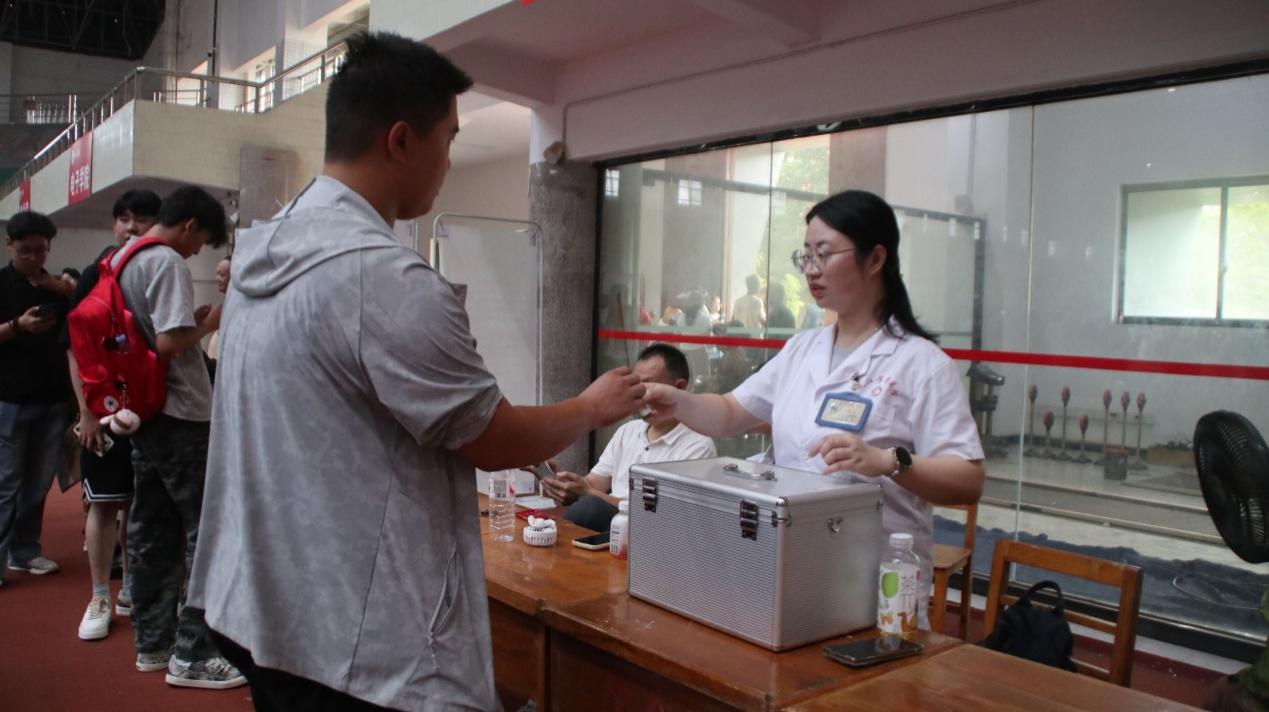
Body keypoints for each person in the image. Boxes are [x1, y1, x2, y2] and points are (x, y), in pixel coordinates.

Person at [188, 32, 645, 712]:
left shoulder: (266, 251)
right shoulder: (381, 277)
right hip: (355, 642)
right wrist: (592, 406)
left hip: (262, 605)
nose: (448, 161)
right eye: (448, 139)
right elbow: (490, 436)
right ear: (401, 140)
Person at [644, 190, 985, 628]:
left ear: (875, 259)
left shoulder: (921, 364)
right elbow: (729, 411)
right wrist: (676, 400)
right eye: (805, 256)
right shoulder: (801, 350)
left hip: (872, 586)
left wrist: (886, 461)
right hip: (785, 569)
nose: (811, 269)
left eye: (824, 254)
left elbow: (968, 480)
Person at [112, 186, 240, 688]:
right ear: (188, 225)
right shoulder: (165, 262)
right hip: (181, 411)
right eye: (200, 241)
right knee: (207, 532)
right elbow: (169, 341)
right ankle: (195, 653)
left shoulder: (125, 257)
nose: (196, 252)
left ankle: (153, 643)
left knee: (151, 526)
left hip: (144, 410)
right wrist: (209, 322)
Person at [67, 188, 161, 641]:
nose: (131, 227)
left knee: (142, 506)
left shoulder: (160, 271)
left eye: (141, 219)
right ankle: (100, 594)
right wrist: (86, 414)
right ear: (113, 224)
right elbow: (75, 350)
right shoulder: (94, 275)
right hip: (104, 413)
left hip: (153, 414)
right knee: (105, 503)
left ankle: (134, 588)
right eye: (124, 219)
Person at [543, 343, 716, 532]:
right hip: (610, 528)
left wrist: (589, 493)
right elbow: (592, 484)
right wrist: (562, 481)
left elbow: (661, 515)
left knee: (591, 508)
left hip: (651, 534)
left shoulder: (698, 446)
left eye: (649, 387)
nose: (641, 398)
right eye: (636, 388)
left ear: (679, 388)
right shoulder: (627, 431)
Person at [0, 211, 72, 585]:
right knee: (6, 483)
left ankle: (25, 550)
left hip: (53, 398)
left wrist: (63, 289)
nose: (33, 257)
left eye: (41, 250)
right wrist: (18, 326)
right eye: (25, 250)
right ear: (9, 245)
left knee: (39, 483)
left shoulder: (55, 287)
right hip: (9, 399)